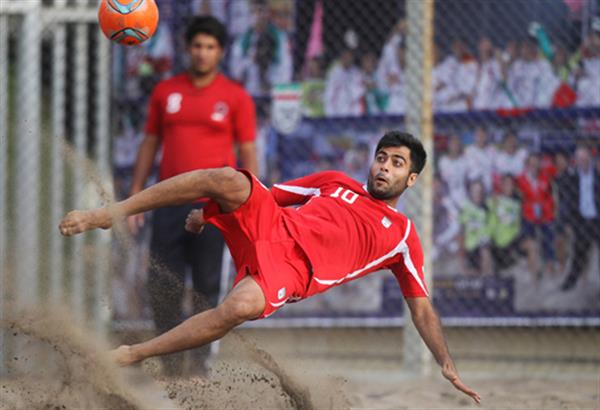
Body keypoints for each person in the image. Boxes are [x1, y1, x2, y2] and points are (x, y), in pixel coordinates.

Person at [59, 131, 481, 404]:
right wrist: (210, 213)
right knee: (226, 177)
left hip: (292, 271)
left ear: (411, 180)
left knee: (236, 309)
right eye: (382, 158)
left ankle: (132, 354)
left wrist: (445, 360)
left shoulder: (404, 236)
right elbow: (270, 194)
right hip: (273, 224)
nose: (384, 167)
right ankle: (110, 212)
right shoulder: (335, 181)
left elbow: (422, 309)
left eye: (396, 163)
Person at [128, 16, 258, 376]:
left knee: (206, 284)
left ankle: (200, 365)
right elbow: (150, 143)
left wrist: (250, 204)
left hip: (215, 209)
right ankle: (170, 364)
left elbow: (247, 153)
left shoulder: (236, 97)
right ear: (188, 49)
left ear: (220, 52)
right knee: (162, 281)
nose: (203, 53)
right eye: (197, 46)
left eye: (210, 47)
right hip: (168, 202)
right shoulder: (165, 92)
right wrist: (137, 193)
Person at [229, 0, 293, 96]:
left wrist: (273, 84)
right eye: (254, 12)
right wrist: (250, 60)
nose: (258, 16)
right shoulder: (242, 39)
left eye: (261, 11)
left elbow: (286, 69)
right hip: (249, 91)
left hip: (272, 92)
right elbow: (235, 71)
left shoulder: (279, 38)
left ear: (267, 14)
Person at [560, 145, 600, 291]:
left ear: (590, 158)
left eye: (584, 158)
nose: (582, 161)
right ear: (575, 161)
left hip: (598, 220)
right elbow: (568, 202)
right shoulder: (572, 178)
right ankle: (570, 283)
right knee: (579, 253)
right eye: (579, 159)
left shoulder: (597, 174)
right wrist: (569, 222)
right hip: (582, 221)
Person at [516, 153, 556, 281]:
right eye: (531, 163)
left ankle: (550, 266)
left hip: (545, 213)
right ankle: (532, 267)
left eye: (536, 162)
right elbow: (519, 197)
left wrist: (549, 210)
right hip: (529, 214)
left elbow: (549, 195)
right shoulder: (520, 179)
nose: (534, 165)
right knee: (529, 239)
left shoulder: (545, 176)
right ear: (527, 165)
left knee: (548, 238)